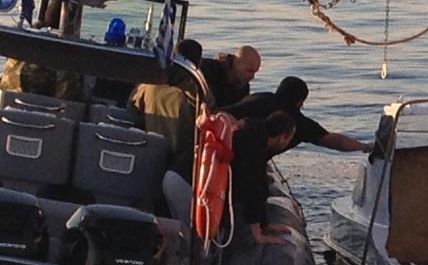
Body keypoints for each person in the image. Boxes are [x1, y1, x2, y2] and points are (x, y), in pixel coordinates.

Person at [127, 39, 204, 223]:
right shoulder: (196, 92)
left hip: (149, 152)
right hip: (180, 161)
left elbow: (131, 107)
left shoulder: (149, 84)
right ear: (197, 63)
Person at [222, 76, 371, 152]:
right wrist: (364, 146)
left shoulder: (258, 98)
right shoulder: (298, 122)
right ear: (300, 103)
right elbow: (333, 141)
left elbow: (224, 114)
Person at [231, 111, 296, 245]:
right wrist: (257, 235)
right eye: (289, 139)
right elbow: (251, 189)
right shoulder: (253, 149)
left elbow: (260, 182)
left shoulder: (254, 127)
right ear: (282, 137)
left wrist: (264, 225)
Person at [0, 0, 85, 100]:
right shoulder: (69, 59)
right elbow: (67, 94)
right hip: (44, 104)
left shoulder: (21, 46)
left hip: (9, 98)